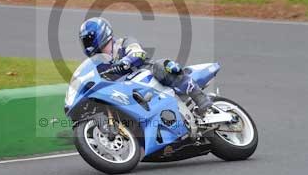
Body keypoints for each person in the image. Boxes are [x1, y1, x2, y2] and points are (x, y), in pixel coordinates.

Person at [78, 17, 213, 115]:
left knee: (162, 66)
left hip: (149, 77)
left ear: (100, 34)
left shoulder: (124, 43)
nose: (87, 44)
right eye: (85, 41)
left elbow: (138, 52)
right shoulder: (99, 65)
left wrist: (125, 62)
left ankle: (200, 98)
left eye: (88, 39)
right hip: (130, 93)